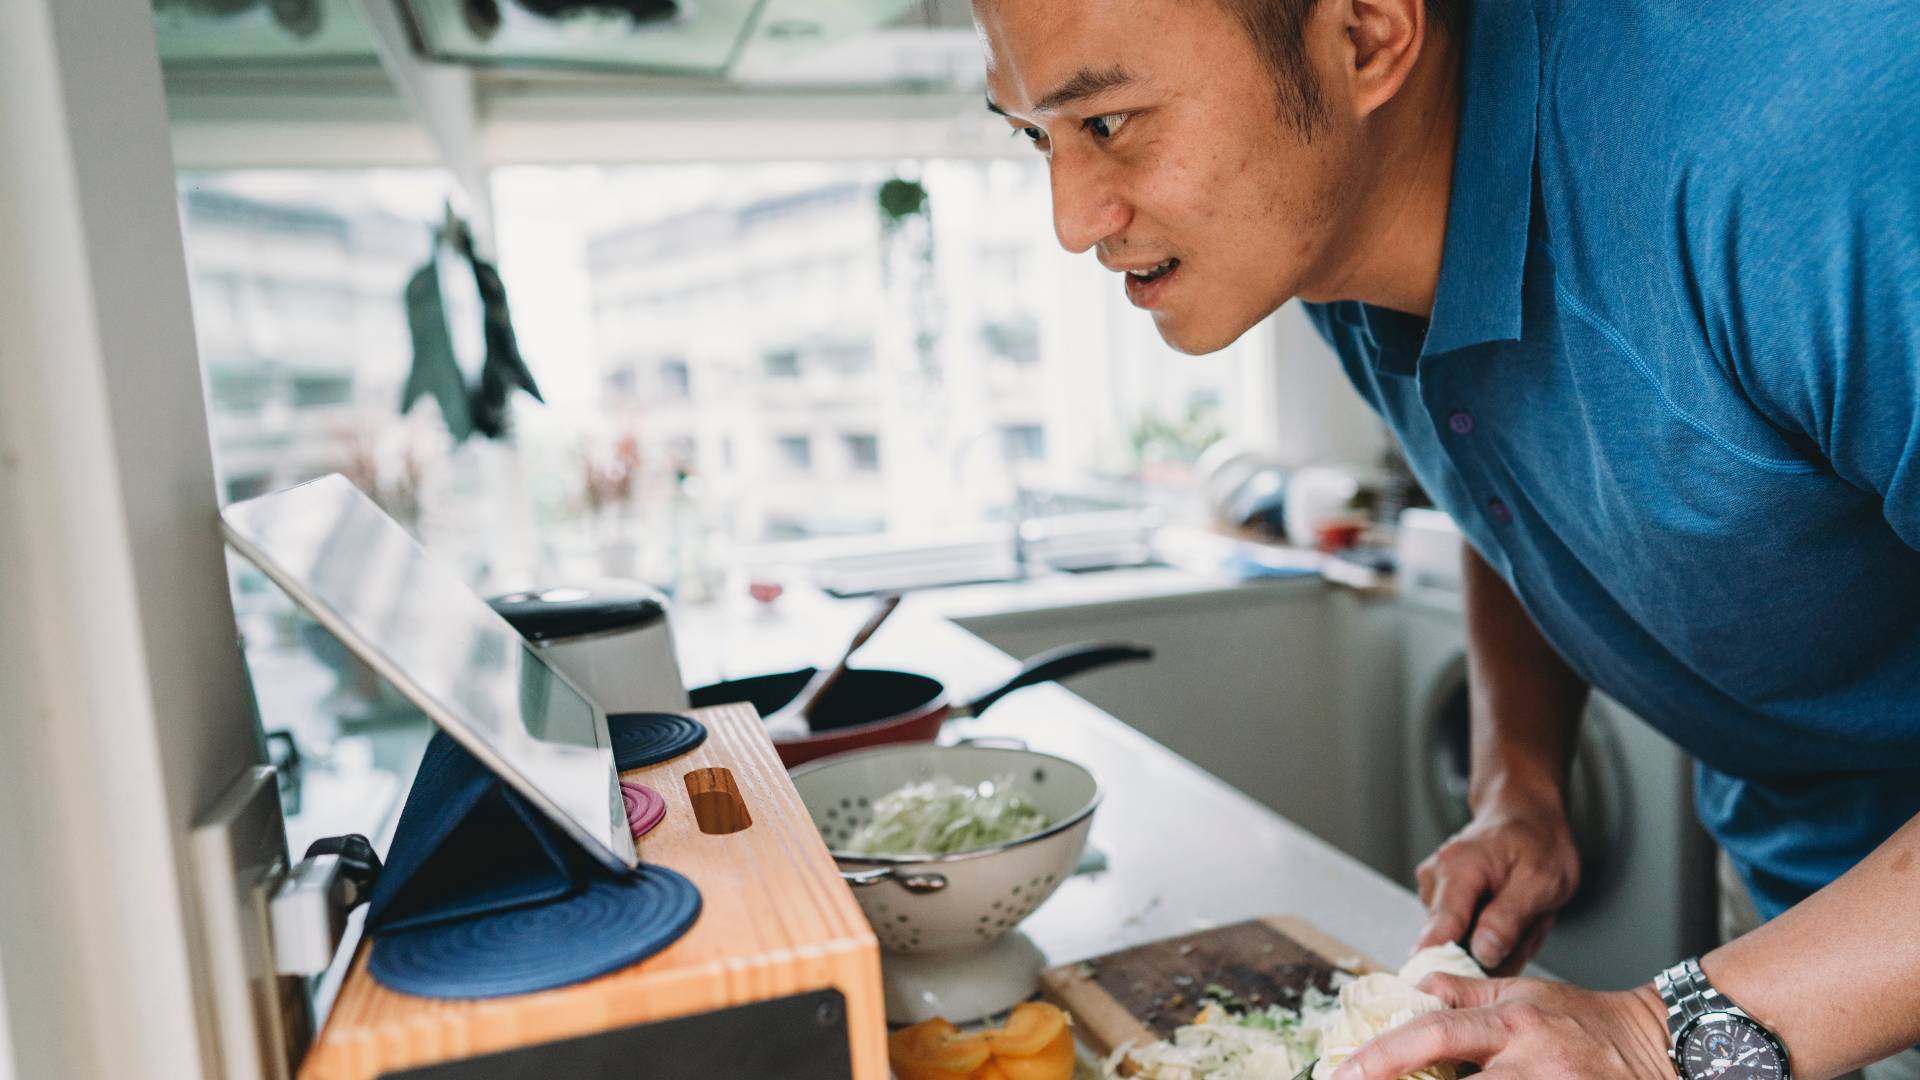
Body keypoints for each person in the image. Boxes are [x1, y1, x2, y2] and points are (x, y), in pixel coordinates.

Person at [972, 0, 1920, 1077]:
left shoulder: (1807, 141)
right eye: (1031, 134)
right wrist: (1523, 785)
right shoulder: (1329, 237)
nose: (1071, 218)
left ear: (1369, 34)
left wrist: (1658, 1036)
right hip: (1802, 900)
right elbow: (1509, 471)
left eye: (1109, 121)